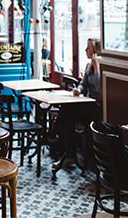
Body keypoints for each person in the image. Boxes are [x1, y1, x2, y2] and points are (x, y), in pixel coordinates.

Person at [51, 38, 103, 168]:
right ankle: (68, 151)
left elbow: (99, 90)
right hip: (87, 103)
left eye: (89, 48)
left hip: (97, 107)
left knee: (68, 115)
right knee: (65, 111)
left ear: (95, 51)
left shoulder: (100, 68)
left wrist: (97, 67)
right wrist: (78, 90)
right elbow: (83, 84)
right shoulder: (88, 66)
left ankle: (59, 142)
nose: (86, 50)